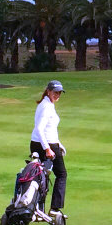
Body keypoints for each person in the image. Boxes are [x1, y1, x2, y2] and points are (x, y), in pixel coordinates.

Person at [30, 80, 67, 215]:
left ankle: (37, 207)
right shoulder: (46, 106)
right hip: (45, 145)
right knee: (61, 174)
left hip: (38, 143)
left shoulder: (46, 104)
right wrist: (48, 149)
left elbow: (49, 129)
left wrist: (59, 144)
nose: (58, 95)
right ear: (48, 91)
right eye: (55, 92)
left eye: (59, 93)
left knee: (40, 176)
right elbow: (40, 129)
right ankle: (54, 209)